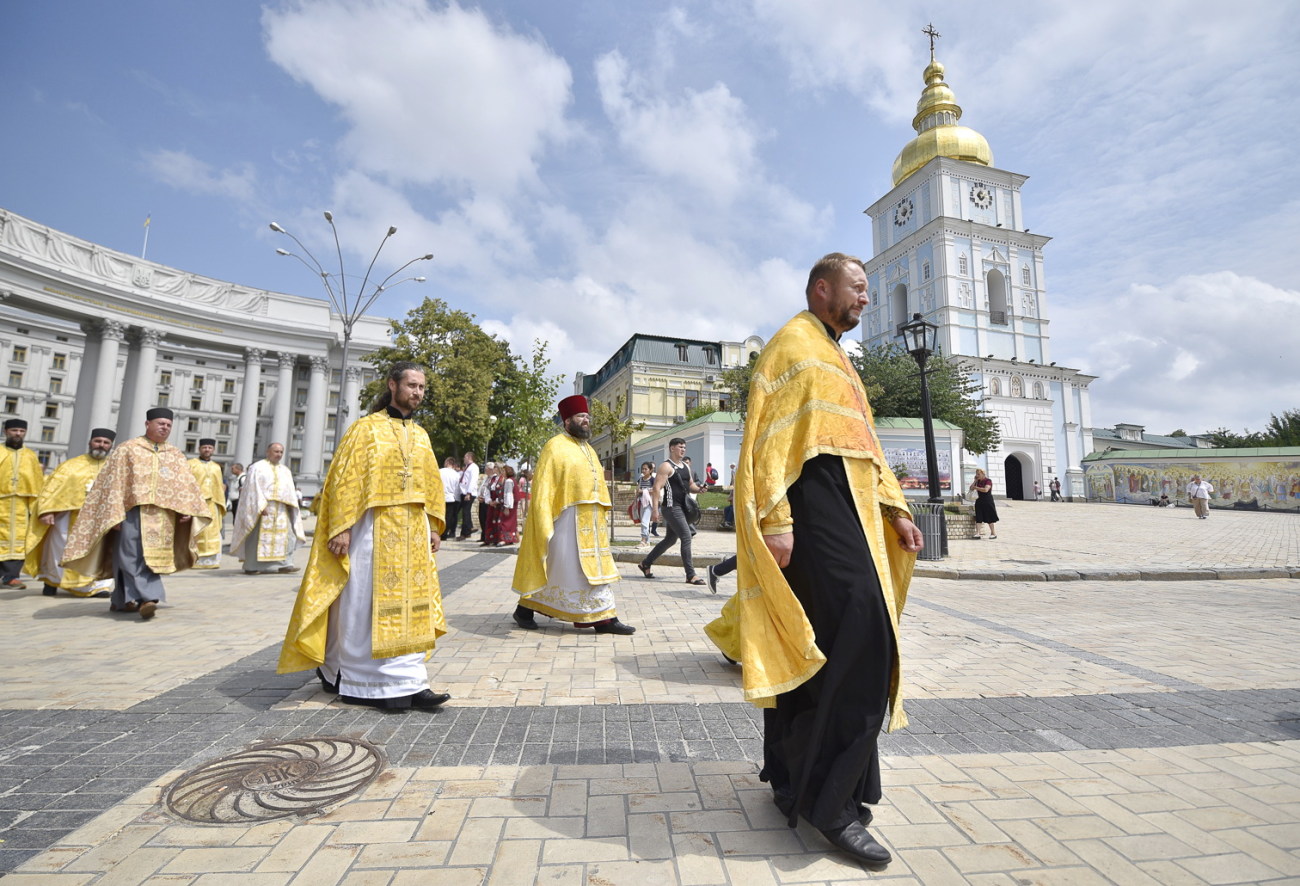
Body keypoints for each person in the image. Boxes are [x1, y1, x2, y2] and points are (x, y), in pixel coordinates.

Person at [706, 253, 922, 865]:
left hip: (851, 509)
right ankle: (831, 807)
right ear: (821, 288)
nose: (866, 299)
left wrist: (899, 508)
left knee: (824, 649)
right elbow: (770, 439)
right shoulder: (792, 346)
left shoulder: (836, 355)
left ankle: (793, 780)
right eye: (858, 288)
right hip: (810, 515)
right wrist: (775, 521)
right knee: (864, 638)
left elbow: (865, 445)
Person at [278, 361, 451, 711]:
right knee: (365, 603)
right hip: (372, 530)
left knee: (413, 606)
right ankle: (363, 681)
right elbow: (345, 480)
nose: (417, 392)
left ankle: (411, 680)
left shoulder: (420, 435)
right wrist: (340, 527)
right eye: (412, 385)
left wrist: (434, 525)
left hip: (413, 533)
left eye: (422, 387)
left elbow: (432, 484)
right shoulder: (364, 430)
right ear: (392, 385)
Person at [61, 407, 209, 620]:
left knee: (150, 558)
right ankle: (148, 597)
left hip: (163, 516)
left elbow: (186, 484)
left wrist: (187, 511)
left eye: (168, 425)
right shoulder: (128, 449)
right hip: (132, 512)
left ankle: (122, 600)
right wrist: (114, 513)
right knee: (130, 555)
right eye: (161, 423)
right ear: (147, 424)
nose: (165, 428)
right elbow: (112, 483)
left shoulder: (175, 454)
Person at [510, 395, 634, 635]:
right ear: (567, 421)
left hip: (592, 520)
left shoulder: (588, 448)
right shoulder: (554, 446)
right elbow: (544, 485)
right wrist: (543, 518)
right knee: (567, 569)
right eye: (581, 417)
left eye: (587, 416)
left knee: (579, 569)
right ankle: (600, 618)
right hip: (567, 519)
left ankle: (529, 609)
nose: (586, 420)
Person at [25, 429, 116, 597]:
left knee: (99, 552)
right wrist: (46, 511)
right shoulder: (71, 465)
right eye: (98, 441)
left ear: (111, 445)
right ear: (90, 442)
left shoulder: (115, 468)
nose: (101, 445)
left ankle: (96, 586)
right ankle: (52, 581)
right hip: (68, 517)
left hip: (98, 519)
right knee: (59, 550)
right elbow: (51, 489)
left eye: (105, 442)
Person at [638, 439, 706, 585]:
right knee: (686, 536)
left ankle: (645, 563)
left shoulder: (686, 467)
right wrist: (655, 510)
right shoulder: (666, 467)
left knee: (670, 539)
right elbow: (656, 488)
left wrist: (700, 489)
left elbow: (691, 485)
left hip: (683, 508)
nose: (683, 450)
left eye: (684, 447)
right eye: (680, 447)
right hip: (671, 507)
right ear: (672, 448)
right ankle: (690, 575)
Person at [231, 443, 306, 574]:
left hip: (282, 508)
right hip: (262, 507)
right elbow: (252, 488)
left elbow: (290, 489)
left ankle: (285, 564)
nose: (279, 454)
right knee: (257, 537)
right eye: (276, 451)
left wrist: (291, 503)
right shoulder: (257, 467)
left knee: (286, 536)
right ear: (268, 452)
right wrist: (260, 505)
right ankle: (252, 566)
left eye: (281, 452)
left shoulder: (285, 470)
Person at [1, 418, 44, 589]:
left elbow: (37, 481)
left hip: (22, 505)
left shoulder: (30, 455)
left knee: (19, 539)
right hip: (1, 502)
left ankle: (11, 576)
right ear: (6, 432)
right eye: (14, 431)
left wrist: (38, 507)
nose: (18, 434)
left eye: (21, 431)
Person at [188, 438, 226, 569]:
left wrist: (220, 503)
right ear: (199, 449)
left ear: (213, 450)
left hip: (212, 504)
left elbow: (219, 486)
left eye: (210, 448)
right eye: (204, 447)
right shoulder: (191, 464)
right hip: (196, 504)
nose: (207, 450)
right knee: (197, 530)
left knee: (212, 531)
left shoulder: (216, 467)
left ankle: (211, 560)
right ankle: (194, 559)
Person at [486, 465, 519, 546]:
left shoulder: (508, 481)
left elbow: (508, 494)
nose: (503, 473)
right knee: (511, 522)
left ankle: (504, 539)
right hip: (512, 504)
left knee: (505, 522)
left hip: (509, 504)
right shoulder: (512, 480)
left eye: (504, 471)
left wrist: (507, 506)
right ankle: (510, 539)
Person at [456, 451, 479, 539]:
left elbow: (472, 480)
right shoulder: (467, 467)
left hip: (469, 493)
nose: (464, 459)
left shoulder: (474, 467)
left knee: (465, 511)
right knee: (465, 512)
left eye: (465, 457)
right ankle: (468, 530)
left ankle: (465, 532)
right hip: (464, 492)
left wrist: (469, 492)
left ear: (469, 457)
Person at [969, 468, 998, 538]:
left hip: (987, 501)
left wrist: (976, 488)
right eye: (976, 474)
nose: (977, 475)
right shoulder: (977, 481)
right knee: (978, 517)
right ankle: (978, 533)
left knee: (989, 517)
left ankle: (993, 533)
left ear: (983, 474)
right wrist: (975, 480)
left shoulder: (988, 481)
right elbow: (971, 488)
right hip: (979, 500)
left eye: (979, 474)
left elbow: (986, 490)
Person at [439, 456, 461, 540]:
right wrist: (457, 499)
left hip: (440, 497)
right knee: (448, 517)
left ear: (447, 463)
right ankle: (444, 534)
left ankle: (438, 532)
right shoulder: (456, 475)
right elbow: (457, 488)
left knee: (440, 515)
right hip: (451, 498)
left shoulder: (440, 471)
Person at [477, 462, 498, 544]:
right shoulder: (486, 478)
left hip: (488, 501)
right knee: (482, 518)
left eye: (487, 469)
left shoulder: (494, 478)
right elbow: (482, 487)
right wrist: (479, 496)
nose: (486, 470)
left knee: (487, 519)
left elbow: (489, 490)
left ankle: (487, 537)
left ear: (492, 470)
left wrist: (486, 498)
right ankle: (483, 536)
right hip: (482, 500)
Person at [636, 461, 655, 544]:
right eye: (642, 469)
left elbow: (654, 490)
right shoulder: (640, 479)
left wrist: (643, 491)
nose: (643, 471)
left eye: (645, 469)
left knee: (645, 521)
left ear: (650, 470)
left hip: (649, 503)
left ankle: (643, 540)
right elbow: (637, 489)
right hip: (641, 502)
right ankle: (647, 541)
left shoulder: (652, 480)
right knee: (644, 522)